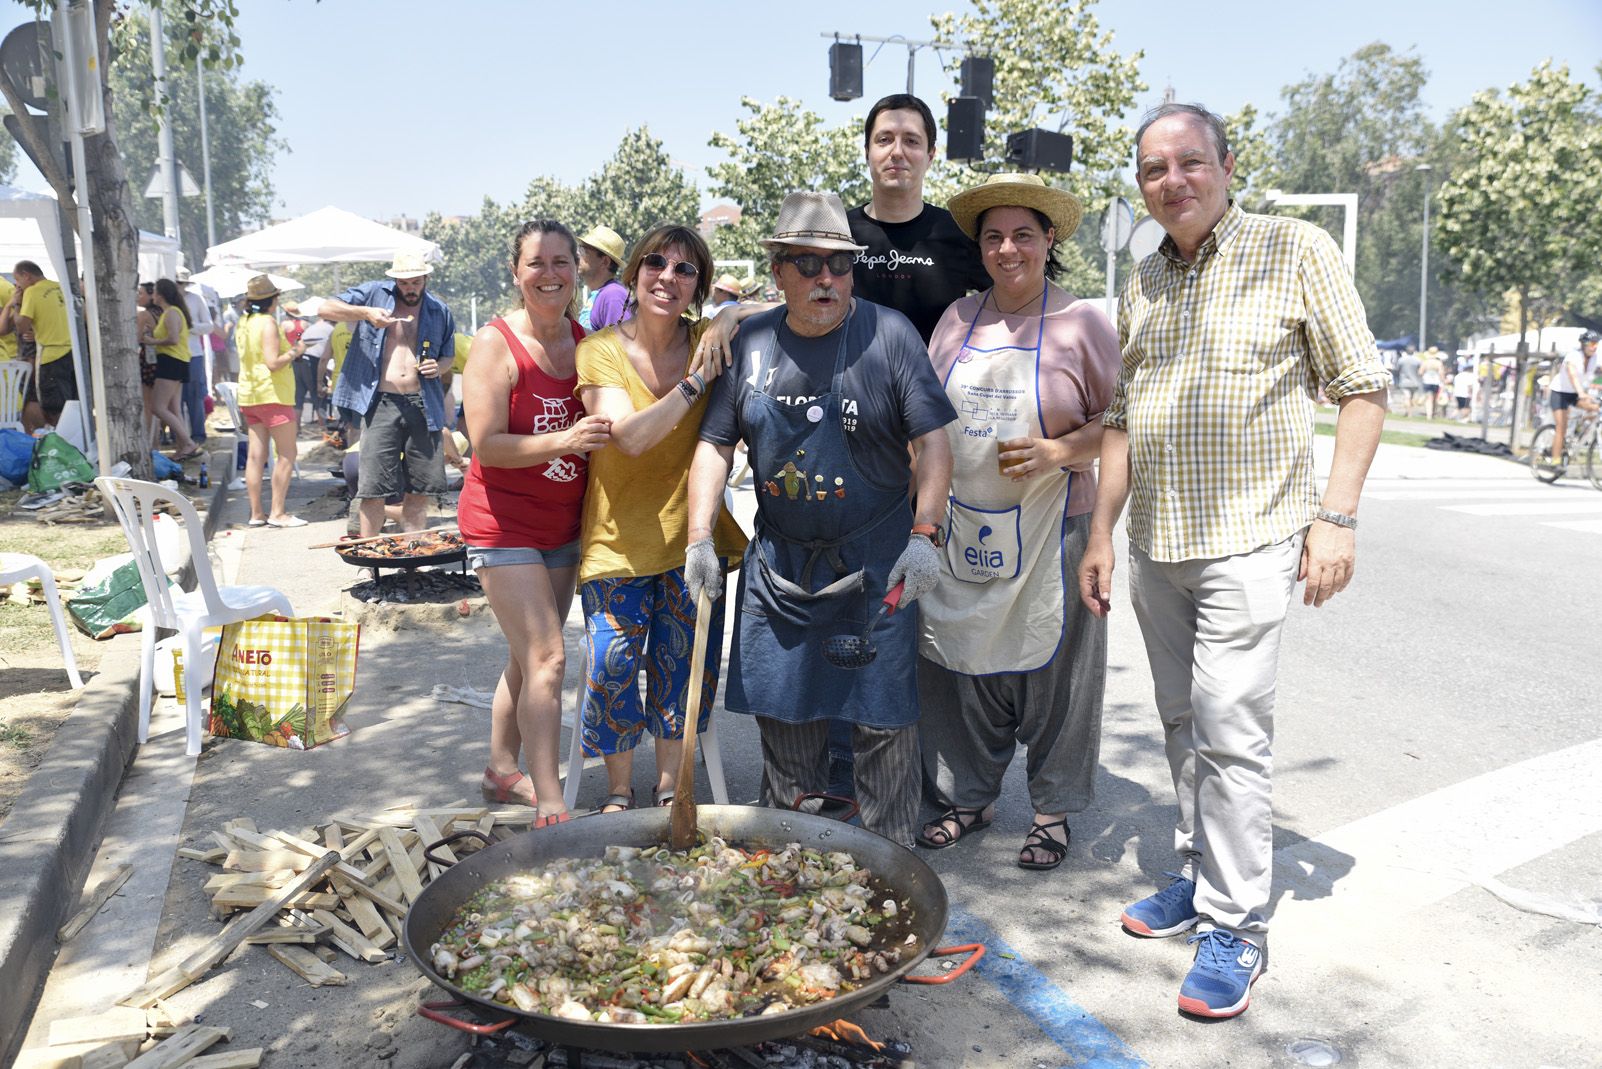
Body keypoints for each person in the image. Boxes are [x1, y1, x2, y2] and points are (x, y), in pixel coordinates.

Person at [1076, 103, 1389, 1019]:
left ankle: (1237, 926)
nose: (1170, 181)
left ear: (1226, 164)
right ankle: (1201, 869)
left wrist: (1337, 518)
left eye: (1187, 163)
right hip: (1157, 544)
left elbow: (1363, 389)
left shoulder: (1296, 249)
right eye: (1151, 170)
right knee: (1181, 723)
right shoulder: (1142, 279)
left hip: (1250, 540)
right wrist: (1100, 531)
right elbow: (1125, 417)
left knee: (1230, 732)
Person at [684, 191, 955, 849]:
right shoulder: (747, 342)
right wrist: (699, 536)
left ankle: (889, 866)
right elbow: (716, 445)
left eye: (838, 264)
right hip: (779, 569)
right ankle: (781, 865)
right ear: (776, 270)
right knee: (785, 719)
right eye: (806, 264)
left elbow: (934, 445)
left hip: (879, 568)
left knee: (883, 723)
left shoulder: (888, 336)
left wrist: (926, 533)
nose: (825, 278)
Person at [915, 173, 1120, 871]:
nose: (1008, 249)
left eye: (1024, 235)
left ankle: (1051, 811)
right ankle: (968, 798)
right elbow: (925, 417)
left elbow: (1123, 426)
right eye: (995, 236)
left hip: (1053, 525)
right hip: (962, 524)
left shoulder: (1082, 323)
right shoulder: (955, 319)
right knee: (960, 662)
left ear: (1049, 239)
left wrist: (1058, 450)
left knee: (1058, 675)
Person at [575, 224, 746, 814]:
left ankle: (669, 783)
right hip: (616, 541)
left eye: (685, 270)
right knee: (612, 664)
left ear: (698, 285)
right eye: (655, 263)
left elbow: (784, 303)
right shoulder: (599, 349)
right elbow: (630, 437)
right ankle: (620, 789)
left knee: (681, 669)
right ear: (633, 273)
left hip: (693, 538)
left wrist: (733, 313)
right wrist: (698, 381)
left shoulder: (708, 334)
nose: (667, 278)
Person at [458, 220, 613, 828]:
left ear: (578, 269)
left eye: (560, 262)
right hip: (502, 524)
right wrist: (566, 439)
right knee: (549, 656)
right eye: (535, 263)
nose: (549, 274)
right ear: (516, 273)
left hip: (564, 526)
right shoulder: (495, 344)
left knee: (527, 659)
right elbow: (486, 444)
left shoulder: (587, 341)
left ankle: (502, 767)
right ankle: (550, 797)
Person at [320, 251, 456, 537]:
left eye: (416, 282)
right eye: (404, 283)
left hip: (422, 403)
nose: (410, 288)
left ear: (426, 279)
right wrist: (364, 313)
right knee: (372, 487)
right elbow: (325, 308)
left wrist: (438, 365)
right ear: (394, 280)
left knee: (420, 488)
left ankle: (414, 551)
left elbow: (448, 357)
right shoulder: (373, 294)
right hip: (381, 400)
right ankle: (370, 556)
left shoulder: (439, 310)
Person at [847, 94, 990, 345]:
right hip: (846, 384)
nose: (897, 152)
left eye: (911, 141)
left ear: (930, 156)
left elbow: (1011, 306)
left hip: (934, 383)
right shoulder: (837, 234)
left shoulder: (961, 234)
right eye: (884, 140)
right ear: (867, 152)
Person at [234, 275, 305, 527]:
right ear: (273, 300)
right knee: (287, 453)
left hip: (250, 395)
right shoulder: (268, 323)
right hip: (274, 394)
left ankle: (256, 514)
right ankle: (278, 512)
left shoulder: (244, 322)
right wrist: (297, 349)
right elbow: (273, 363)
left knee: (256, 456)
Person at [10, 261, 75, 430]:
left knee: (51, 407)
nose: (18, 286)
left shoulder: (32, 291)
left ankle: (57, 443)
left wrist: (16, 304)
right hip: (72, 353)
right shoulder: (60, 287)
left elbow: (21, 326)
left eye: (18, 280)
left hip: (50, 356)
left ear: (27, 275)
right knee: (70, 404)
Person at [142, 278, 202, 459]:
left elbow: (173, 339)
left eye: (154, 292)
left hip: (171, 361)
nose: (152, 295)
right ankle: (182, 446)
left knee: (157, 407)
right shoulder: (170, 312)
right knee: (174, 409)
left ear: (160, 294)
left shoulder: (171, 313)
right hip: (176, 361)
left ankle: (189, 443)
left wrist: (152, 341)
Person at [1547, 331, 1600, 463]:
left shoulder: (1595, 358)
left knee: (1597, 409)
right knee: (1561, 426)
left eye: (1596, 344)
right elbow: (1573, 376)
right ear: (1584, 344)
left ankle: (1576, 434)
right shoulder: (1573, 356)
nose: (1594, 347)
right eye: (1592, 343)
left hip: (1575, 394)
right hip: (1560, 393)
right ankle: (1555, 460)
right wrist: (1581, 393)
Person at [179, 269, 217, 447]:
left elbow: (209, 326)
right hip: (172, 353)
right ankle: (178, 434)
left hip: (193, 353)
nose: (180, 287)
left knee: (194, 395)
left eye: (182, 284)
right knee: (175, 398)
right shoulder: (166, 301)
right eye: (177, 284)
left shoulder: (195, 299)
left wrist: (190, 327)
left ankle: (198, 433)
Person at [577, 225, 629, 331]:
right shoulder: (603, 294)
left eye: (583, 251)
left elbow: (619, 345)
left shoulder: (613, 296)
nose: (578, 255)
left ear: (605, 261)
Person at [1395, 346, 1423, 416]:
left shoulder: (1401, 360)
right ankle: (1409, 412)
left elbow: (1397, 370)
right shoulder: (1417, 360)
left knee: (1407, 397)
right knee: (1412, 398)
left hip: (1404, 381)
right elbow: (1420, 371)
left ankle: (1409, 413)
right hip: (1415, 382)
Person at [1418, 346, 1445, 419]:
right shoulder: (1439, 363)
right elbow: (1441, 373)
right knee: (1435, 399)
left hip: (1427, 381)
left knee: (1428, 399)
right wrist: (1443, 382)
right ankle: (1433, 413)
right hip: (1436, 382)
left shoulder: (1425, 362)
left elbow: (1420, 372)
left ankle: (1429, 415)